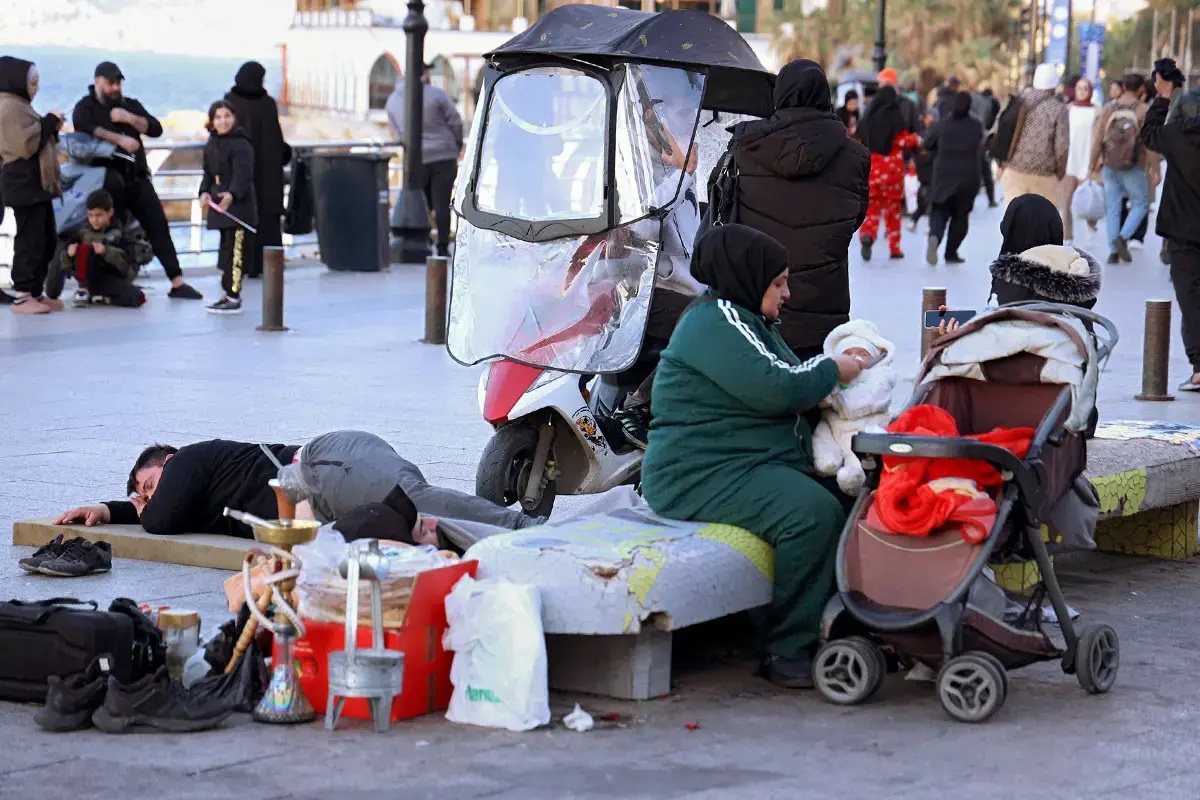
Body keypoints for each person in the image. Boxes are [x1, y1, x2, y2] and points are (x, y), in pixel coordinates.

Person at [640, 224, 866, 688]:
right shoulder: (716, 321)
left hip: (745, 463)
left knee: (854, 500)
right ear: (749, 276)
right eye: (778, 281)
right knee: (812, 514)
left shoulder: (746, 320)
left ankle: (843, 620)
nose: (787, 293)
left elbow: (787, 374)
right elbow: (778, 388)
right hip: (699, 473)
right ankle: (786, 648)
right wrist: (833, 369)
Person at [53, 431, 543, 538]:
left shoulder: (189, 461)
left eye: (150, 483)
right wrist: (110, 509)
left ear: (170, 462)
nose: (148, 497)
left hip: (321, 469)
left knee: (414, 504)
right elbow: (161, 511)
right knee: (422, 529)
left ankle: (523, 527)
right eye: (141, 493)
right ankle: (514, 538)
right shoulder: (190, 490)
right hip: (321, 494)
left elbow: (160, 519)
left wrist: (136, 509)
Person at [724, 59, 870, 359]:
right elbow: (854, 218)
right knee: (815, 393)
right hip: (823, 312)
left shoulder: (747, 146)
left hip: (758, 305)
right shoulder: (855, 156)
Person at [72, 62, 203, 300]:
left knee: (158, 225)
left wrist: (128, 118)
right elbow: (85, 127)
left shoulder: (129, 105)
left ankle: (177, 281)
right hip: (107, 184)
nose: (115, 87)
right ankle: (109, 285)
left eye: (118, 83)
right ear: (97, 81)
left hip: (136, 178)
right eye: (110, 83)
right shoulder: (86, 107)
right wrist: (118, 140)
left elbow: (155, 128)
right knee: (112, 233)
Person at [1141, 68, 1200, 392]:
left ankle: (1199, 369)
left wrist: (1162, 98)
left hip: (1184, 232)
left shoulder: (1177, 136)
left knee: (1191, 297)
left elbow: (1149, 132)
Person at [0, 56, 63, 315]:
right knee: (30, 239)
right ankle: (24, 295)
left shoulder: (20, 105)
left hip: (37, 183)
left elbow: (36, 136)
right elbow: (25, 145)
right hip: (22, 181)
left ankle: (36, 291)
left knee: (46, 238)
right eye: (32, 83)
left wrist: (49, 126)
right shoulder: (9, 107)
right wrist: (49, 122)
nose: (36, 89)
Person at [386, 64, 464, 258]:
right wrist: (457, 144)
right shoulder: (438, 95)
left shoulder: (393, 101)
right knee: (442, 203)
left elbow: (397, 132)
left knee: (423, 203)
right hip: (443, 155)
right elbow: (456, 121)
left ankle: (424, 242)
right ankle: (443, 247)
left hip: (416, 159)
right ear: (424, 74)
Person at [224, 61, 291, 280]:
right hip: (268, 179)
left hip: (240, 177)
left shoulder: (230, 102)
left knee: (240, 223)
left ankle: (239, 267)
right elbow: (277, 143)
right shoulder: (267, 104)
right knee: (267, 225)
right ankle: (267, 266)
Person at [1090, 73, 1159, 264]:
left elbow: (1097, 139)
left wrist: (1092, 164)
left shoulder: (1109, 108)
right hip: (1134, 166)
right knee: (1140, 204)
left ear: (1122, 87)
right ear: (1141, 90)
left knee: (1113, 207)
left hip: (1109, 165)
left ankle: (1113, 250)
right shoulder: (1143, 110)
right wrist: (1155, 169)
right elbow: (1149, 143)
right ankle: (1124, 236)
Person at [199, 100, 257, 315]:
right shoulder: (212, 143)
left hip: (238, 208)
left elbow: (244, 174)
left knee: (236, 252)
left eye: (227, 116)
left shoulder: (241, 143)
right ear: (212, 121)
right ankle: (227, 293)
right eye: (218, 117)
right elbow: (207, 173)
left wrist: (232, 195)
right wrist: (204, 192)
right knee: (225, 251)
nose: (223, 121)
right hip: (219, 205)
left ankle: (234, 296)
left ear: (234, 118)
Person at [858, 85, 920, 261]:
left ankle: (867, 236)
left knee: (871, 208)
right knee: (893, 211)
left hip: (873, 169)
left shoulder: (868, 119)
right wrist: (916, 139)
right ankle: (894, 248)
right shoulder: (895, 116)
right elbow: (902, 141)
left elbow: (858, 139)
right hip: (892, 171)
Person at [924, 91, 984, 265]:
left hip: (943, 176)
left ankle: (935, 236)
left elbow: (928, 143)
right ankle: (951, 252)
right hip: (968, 177)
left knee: (939, 211)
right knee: (960, 216)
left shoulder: (943, 124)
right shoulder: (976, 125)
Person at [60, 189, 145, 308]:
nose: (94, 219)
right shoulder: (81, 233)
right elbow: (66, 267)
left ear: (110, 212)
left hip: (112, 278)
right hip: (90, 277)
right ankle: (83, 290)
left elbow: (128, 264)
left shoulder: (121, 233)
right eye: (91, 215)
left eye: (99, 215)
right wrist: (69, 255)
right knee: (85, 248)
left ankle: (102, 298)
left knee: (138, 298)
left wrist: (106, 251)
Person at [999, 64, 1068, 208]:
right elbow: (1062, 146)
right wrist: (1060, 173)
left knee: (1015, 220)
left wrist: (1001, 162)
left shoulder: (1017, 101)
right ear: (1054, 86)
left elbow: (1001, 129)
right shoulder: (1059, 109)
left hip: (1014, 169)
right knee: (1042, 222)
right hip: (1044, 175)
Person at [1062, 77, 1099, 244]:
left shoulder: (1097, 111)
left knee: (1088, 198)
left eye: (1085, 88)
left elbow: (1100, 137)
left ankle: (1092, 225)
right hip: (1070, 160)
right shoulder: (1068, 110)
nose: (1082, 92)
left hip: (1088, 159)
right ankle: (1067, 236)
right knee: (1067, 200)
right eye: (1079, 88)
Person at [909, 111, 936, 231]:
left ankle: (929, 224)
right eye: (926, 116)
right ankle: (916, 219)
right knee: (923, 195)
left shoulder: (936, 131)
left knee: (930, 196)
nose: (928, 119)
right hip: (922, 165)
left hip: (932, 165)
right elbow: (912, 148)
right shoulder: (918, 132)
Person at [975, 88, 1001, 207]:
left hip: (974, 137)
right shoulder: (993, 102)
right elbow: (997, 119)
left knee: (976, 170)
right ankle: (991, 199)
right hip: (986, 137)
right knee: (986, 169)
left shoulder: (974, 101)